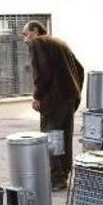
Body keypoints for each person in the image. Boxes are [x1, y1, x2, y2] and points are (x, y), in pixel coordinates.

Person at [21, 21, 84, 191]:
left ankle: (56, 178)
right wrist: (75, 91)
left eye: (26, 35)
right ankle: (64, 173)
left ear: (35, 31)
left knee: (49, 137)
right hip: (68, 98)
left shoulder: (38, 43)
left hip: (53, 100)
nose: (26, 40)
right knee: (63, 136)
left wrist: (37, 96)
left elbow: (42, 73)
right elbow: (80, 68)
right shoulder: (60, 43)